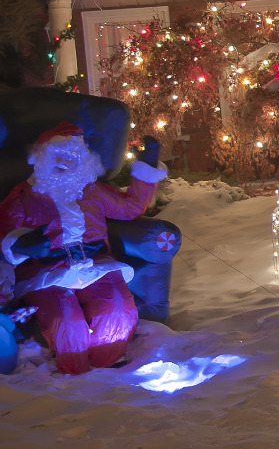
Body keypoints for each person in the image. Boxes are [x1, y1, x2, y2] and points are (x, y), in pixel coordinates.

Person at [0, 122, 166, 374]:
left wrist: (147, 169)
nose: (64, 162)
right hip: (47, 274)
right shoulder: (24, 195)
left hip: (95, 266)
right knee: (66, 320)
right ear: (42, 158)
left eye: (72, 156)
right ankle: (74, 374)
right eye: (57, 155)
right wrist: (22, 244)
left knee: (117, 308)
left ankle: (108, 366)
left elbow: (130, 207)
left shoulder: (94, 191)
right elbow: (4, 230)